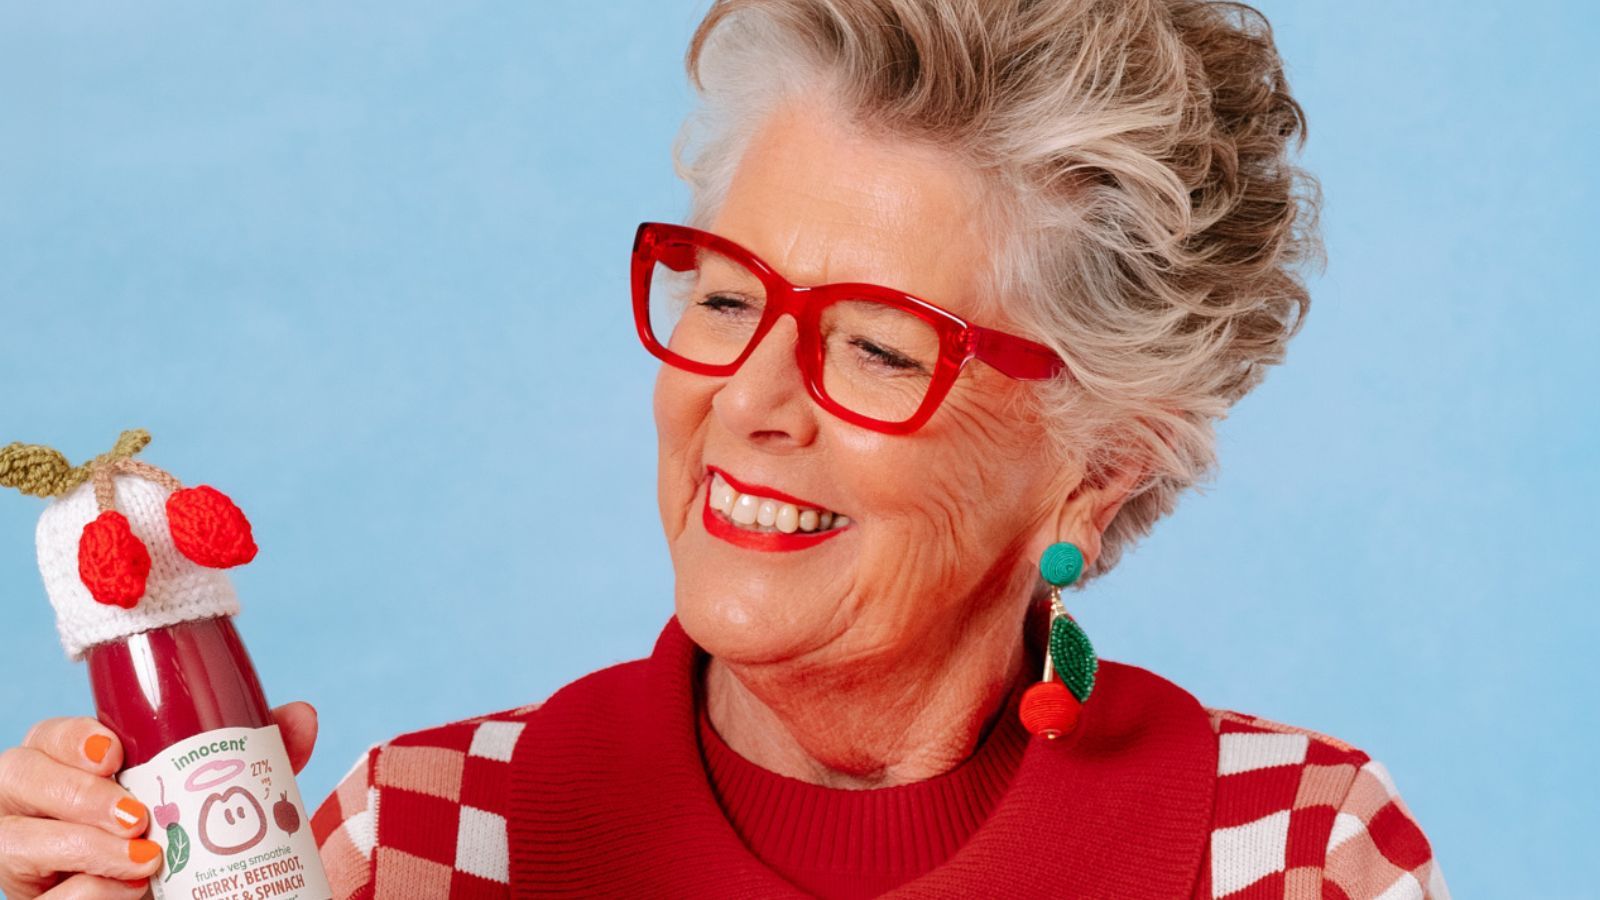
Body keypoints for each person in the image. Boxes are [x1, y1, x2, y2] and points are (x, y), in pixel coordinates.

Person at [0, 1, 1448, 897]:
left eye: (879, 349)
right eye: (728, 298)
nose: (749, 398)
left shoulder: (1292, 853)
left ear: (1101, 467)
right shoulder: (422, 844)